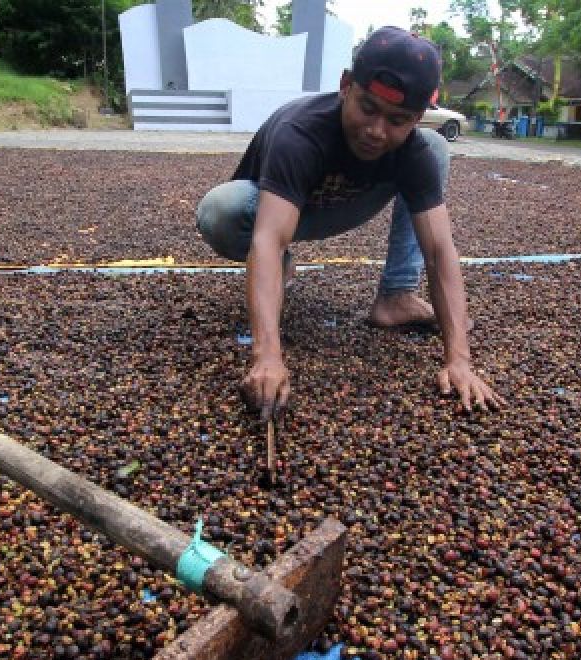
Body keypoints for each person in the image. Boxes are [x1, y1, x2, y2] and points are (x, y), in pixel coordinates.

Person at [195, 26, 504, 421]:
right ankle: (282, 270)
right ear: (345, 85)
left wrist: (459, 360)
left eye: (397, 119)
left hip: (349, 204)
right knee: (220, 208)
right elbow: (268, 237)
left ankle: (396, 295)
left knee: (434, 149)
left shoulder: (410, 148)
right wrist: (267, 357)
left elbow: (440, 251)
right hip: (271, 211)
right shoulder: (299, 132)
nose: (376, 131)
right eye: (367, 107)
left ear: (419, 116)